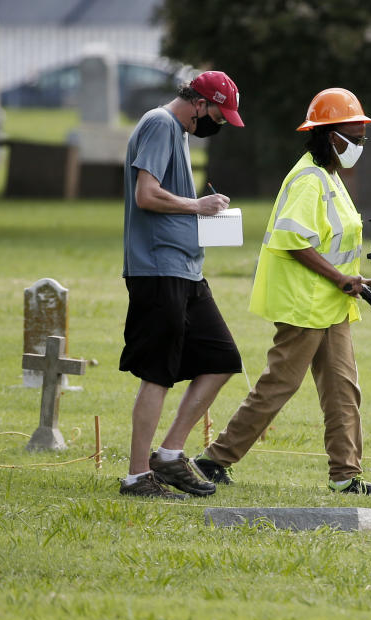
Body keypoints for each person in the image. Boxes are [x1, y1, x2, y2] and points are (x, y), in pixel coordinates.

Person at [193, 88, 371, 496]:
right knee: (279, 385)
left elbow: (331, 242)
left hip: (332, 303)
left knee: (343, 389)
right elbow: (293, 240)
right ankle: (214, 460)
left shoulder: (331, 177)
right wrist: (341, 279)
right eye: (354, 137)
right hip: (304, 304)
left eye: (362, 138)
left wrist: (358, 278)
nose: (359, 145)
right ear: (329, 135)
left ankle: (346, 476)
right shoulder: (308, 179)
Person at [118, 71, 245, 499]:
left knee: (222, 358)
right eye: (218, 115)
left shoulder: (180, 133)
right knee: (158, 371)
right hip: (157, 268)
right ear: (199, 103)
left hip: (186, 270)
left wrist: (204, 215)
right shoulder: (159, 123)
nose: (219, 124)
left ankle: (170, 455)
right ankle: (138, 477)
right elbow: (146, 195)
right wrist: (198, 205)